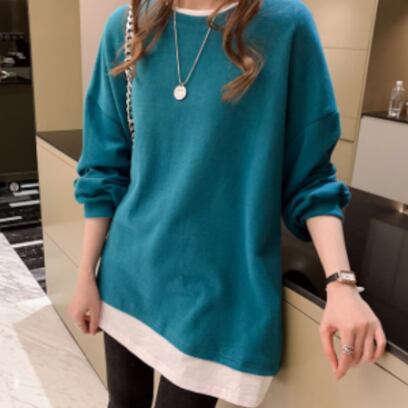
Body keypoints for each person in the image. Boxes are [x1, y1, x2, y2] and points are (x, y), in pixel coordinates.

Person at [69, 0, 387, 407]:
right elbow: (105, 167)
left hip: (219, 294)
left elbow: (310, 176)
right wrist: (86, 274)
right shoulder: (128, 25)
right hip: (128, 275)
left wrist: (341, 284)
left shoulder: (285, 25)